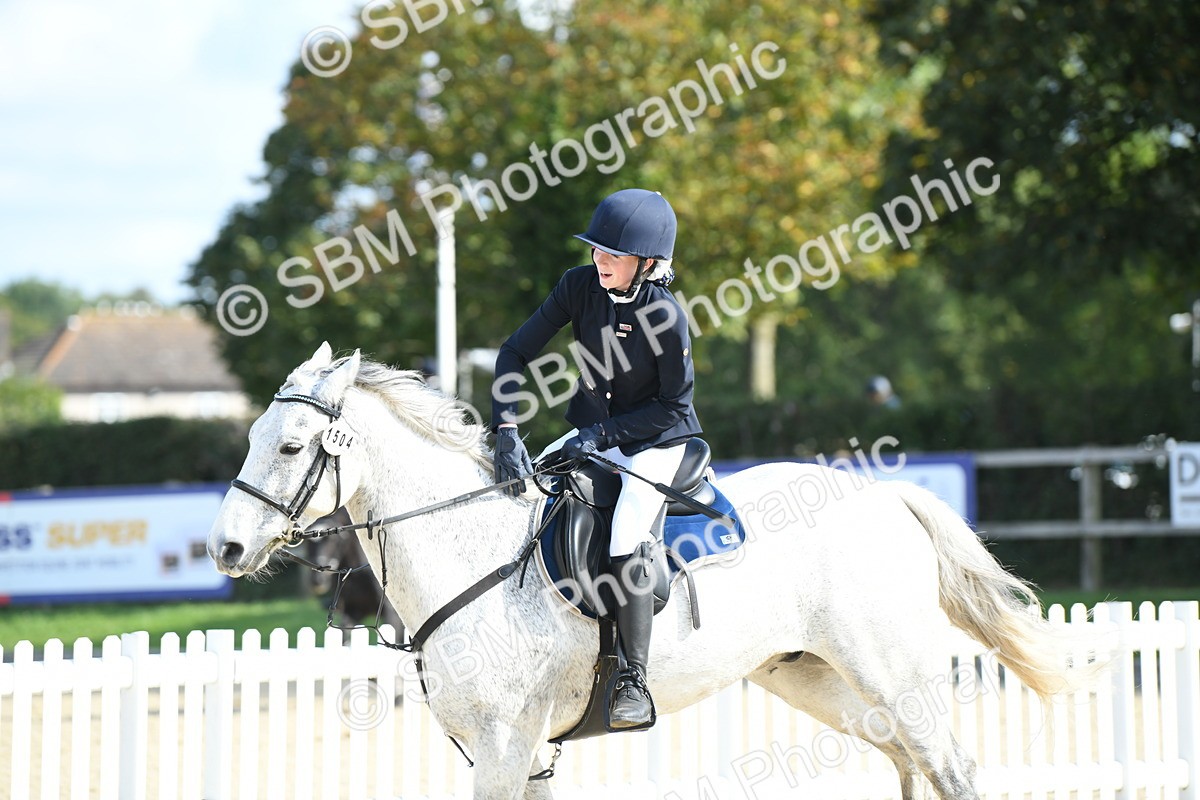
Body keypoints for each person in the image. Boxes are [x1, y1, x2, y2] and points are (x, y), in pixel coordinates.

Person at [490, 188, 702, 728]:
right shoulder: (578, 285)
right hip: (595, 433)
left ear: (647, 264)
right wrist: (506, 430)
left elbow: (674, 406)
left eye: (614, 254)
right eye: (597, 249)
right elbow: (515, 351)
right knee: (527, 489)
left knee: (628, 530)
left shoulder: (666, 315)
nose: (599, 259)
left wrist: (600, 434)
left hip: (657, 442)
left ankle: (634, 680)